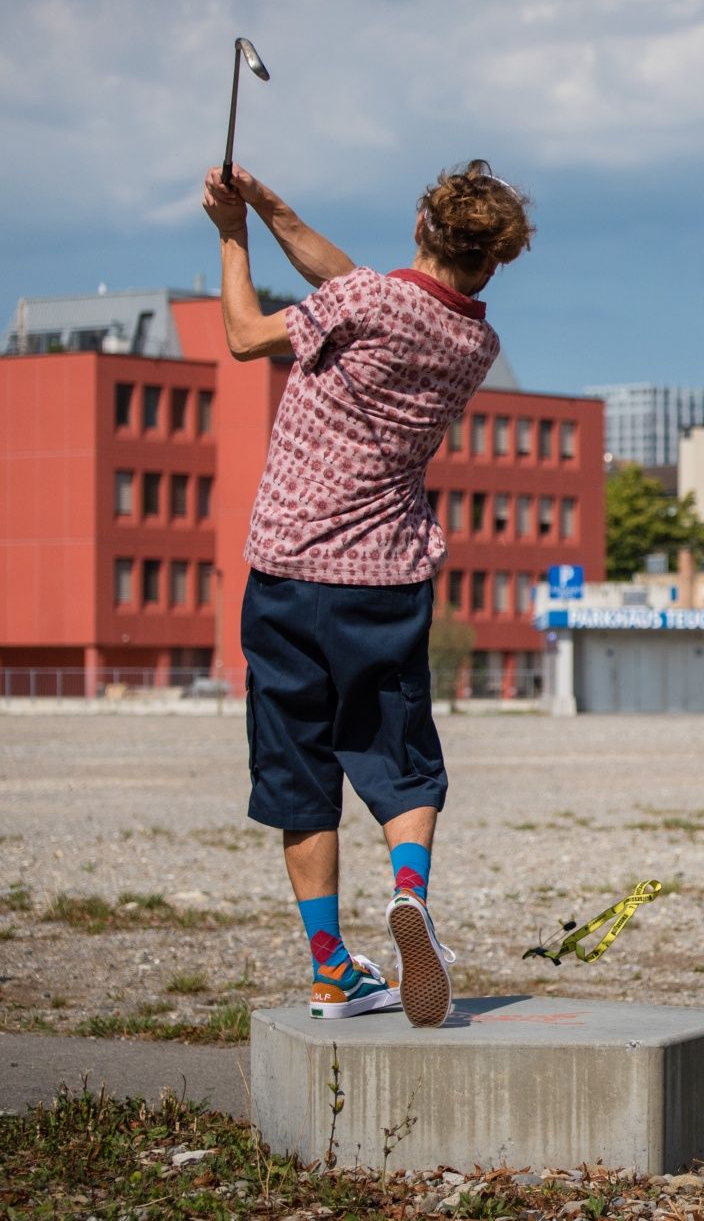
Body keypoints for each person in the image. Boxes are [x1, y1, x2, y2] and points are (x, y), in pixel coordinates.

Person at [201, 159, 533, 1026]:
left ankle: (328, 966)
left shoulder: (370, 305)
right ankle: (411, 895)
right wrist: (272, 205)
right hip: (383, 581)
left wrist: (233, 234)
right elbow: (352, 281)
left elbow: (242, 335)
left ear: (422, 225)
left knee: (297, 772)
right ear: (492, 260)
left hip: (284, 573)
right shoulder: (471, 341)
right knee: (401, 754)